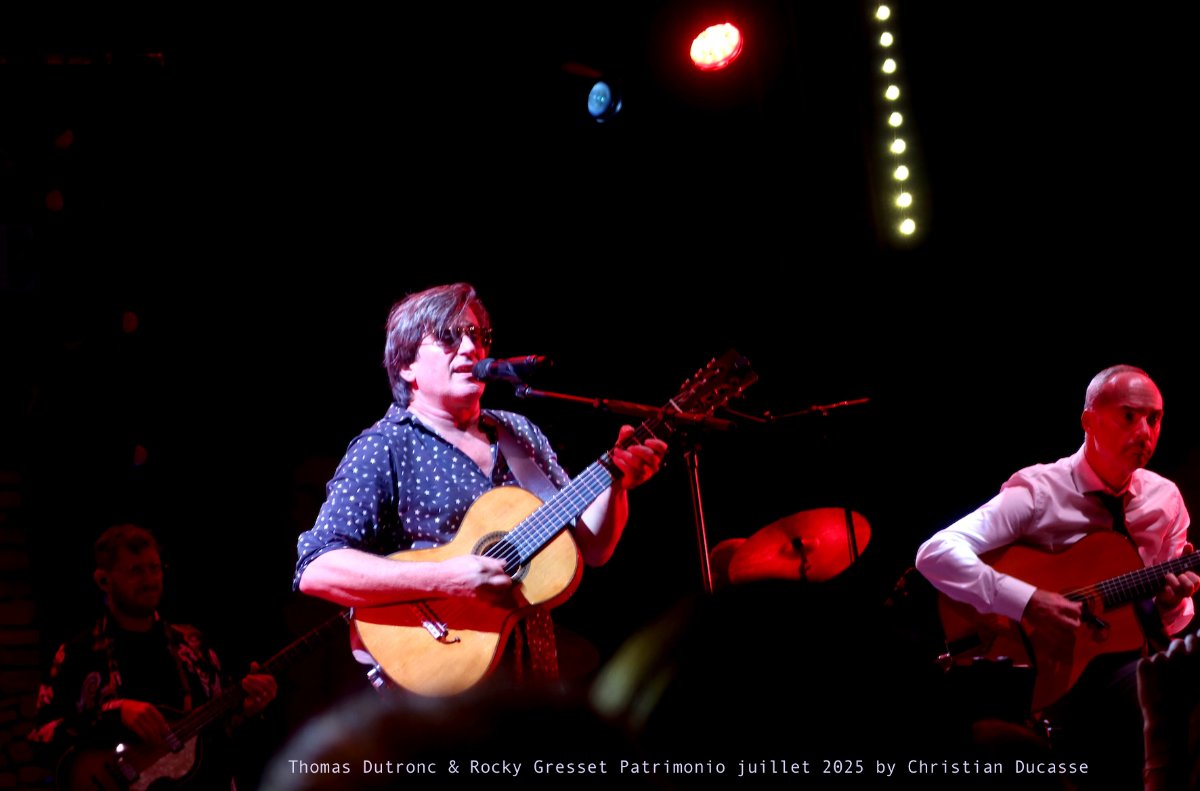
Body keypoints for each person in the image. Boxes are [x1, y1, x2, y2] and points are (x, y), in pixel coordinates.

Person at [293, 282, 667, 690]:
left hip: (531, 680)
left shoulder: (518, 432)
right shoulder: (386, 445)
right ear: (406, 366)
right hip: (436, 686)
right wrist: (444, 578)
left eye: (477, 335)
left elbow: (591, 548)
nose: (471, 348)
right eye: (449, 337)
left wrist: (617, 483)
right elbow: (317, 568)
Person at [915, 364, 1200, 787]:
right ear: (1089, 421)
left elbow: (1169, 623)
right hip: (1053, 675)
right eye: (1128, 416)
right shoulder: (1039, 491)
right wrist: (1027, 600)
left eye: (1154, 419)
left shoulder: (1166, 500)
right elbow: (935, 552)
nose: (1145, 432)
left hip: (1132, 662)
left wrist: (1169, 603)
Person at [29, 524, 278, 790]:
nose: (149, 580)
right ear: (103, 580)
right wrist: (116, 712)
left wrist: (250, 710)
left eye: (154, 568)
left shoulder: (193, 646)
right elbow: (40, 738)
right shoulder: (77, 655)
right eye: (135, 571)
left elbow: (225, 729)